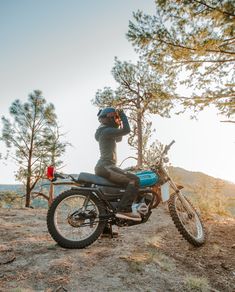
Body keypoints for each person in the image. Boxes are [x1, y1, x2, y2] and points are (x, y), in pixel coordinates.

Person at [95, 107, 141, 222]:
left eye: (117, 118)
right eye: (115, 117)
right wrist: (122, 114)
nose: (117, 119)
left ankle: (105, 226)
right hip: (106, 166)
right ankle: (124, 209)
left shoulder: (105, 132)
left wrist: (119, 121)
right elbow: (126, 130)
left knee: (111, 193)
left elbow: (119, 138)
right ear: (109, 118)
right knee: (134, 180)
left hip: (104, 167)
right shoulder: (106, 131)